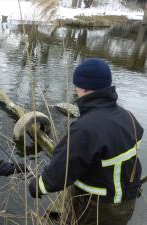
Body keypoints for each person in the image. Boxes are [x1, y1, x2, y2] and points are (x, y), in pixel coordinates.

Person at [29, 58, 144, 225]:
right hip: (127, 202)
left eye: (76, 85)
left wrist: (37, 187)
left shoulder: (85, 129)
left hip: (96, 208)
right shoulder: (128, 117)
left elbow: (60, 171)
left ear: (81, 87)